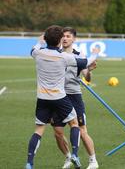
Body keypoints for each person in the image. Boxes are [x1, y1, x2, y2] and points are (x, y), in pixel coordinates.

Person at [25, 25, 89, 169]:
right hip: (60, 98)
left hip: (42, 98)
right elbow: (83, 62)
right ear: (60, 40)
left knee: (38, 130)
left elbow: (32, 49)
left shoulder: (38, 53)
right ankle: (75, 154)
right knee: (74, 124)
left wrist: (40, 42)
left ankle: (29, 163)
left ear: (45, 39)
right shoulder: (64, 57)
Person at [51, 27, 99, 169]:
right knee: (58, 133)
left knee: (82, 130)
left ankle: (93, 160)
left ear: (74, 39)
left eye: (68, 36)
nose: (65, 38)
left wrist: (88, 71)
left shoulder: (79, 54)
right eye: (63, 36)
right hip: (57, 96)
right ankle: (68, 158)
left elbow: (86, 76)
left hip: (74, 95)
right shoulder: (56, 53)